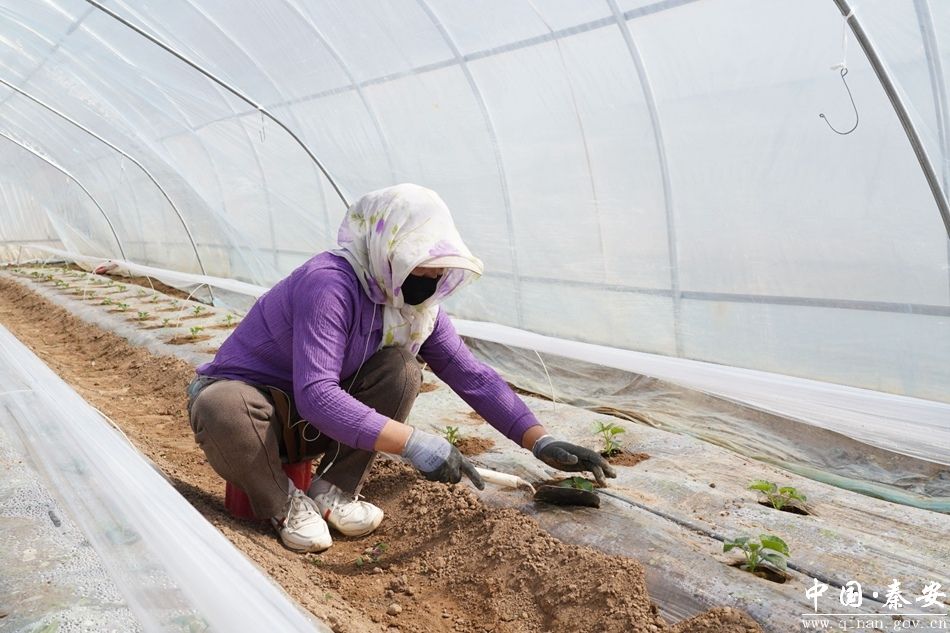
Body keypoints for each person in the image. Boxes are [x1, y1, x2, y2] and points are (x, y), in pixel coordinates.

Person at [186, 183, 615, 552]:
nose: (426, 281)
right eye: (417, 266)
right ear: (385, 249)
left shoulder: (414, 309)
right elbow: (317, 395)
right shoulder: (330, 284)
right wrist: (413, 443)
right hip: (256, 417)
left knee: (401, 368)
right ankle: (283, 503)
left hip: (307, 424)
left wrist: (539, 440)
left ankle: (334, 489)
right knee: (223, 404)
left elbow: (471, 375)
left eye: (436, 271)